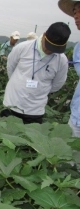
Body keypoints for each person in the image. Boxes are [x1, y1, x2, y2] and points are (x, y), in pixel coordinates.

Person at [0, 22, 71, 124]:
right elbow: (10, 67)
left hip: (35, 111)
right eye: (48, 46)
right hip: (12, 104)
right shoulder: (22, 48)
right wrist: (20, 83)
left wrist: (40, 90)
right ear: (44, 35)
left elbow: (57, 84)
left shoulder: (62, 60)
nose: (49, 50)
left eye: (54, 49)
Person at [59, 0, 80, 137]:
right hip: (77, 114)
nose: (76, 17)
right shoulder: (78, 46)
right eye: (74, 13)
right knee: (70, 154)